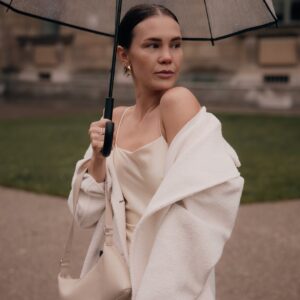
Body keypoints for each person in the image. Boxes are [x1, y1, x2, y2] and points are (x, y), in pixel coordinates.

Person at [67, 4, 244, 300]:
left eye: (175, 45)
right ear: (124, 55)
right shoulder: (117, 118)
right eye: (153, 45)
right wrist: (98, 156)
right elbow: (85, 214)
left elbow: (206, 212)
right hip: (116, 280)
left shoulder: (177, 104)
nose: (167, 57)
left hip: (168, 282)